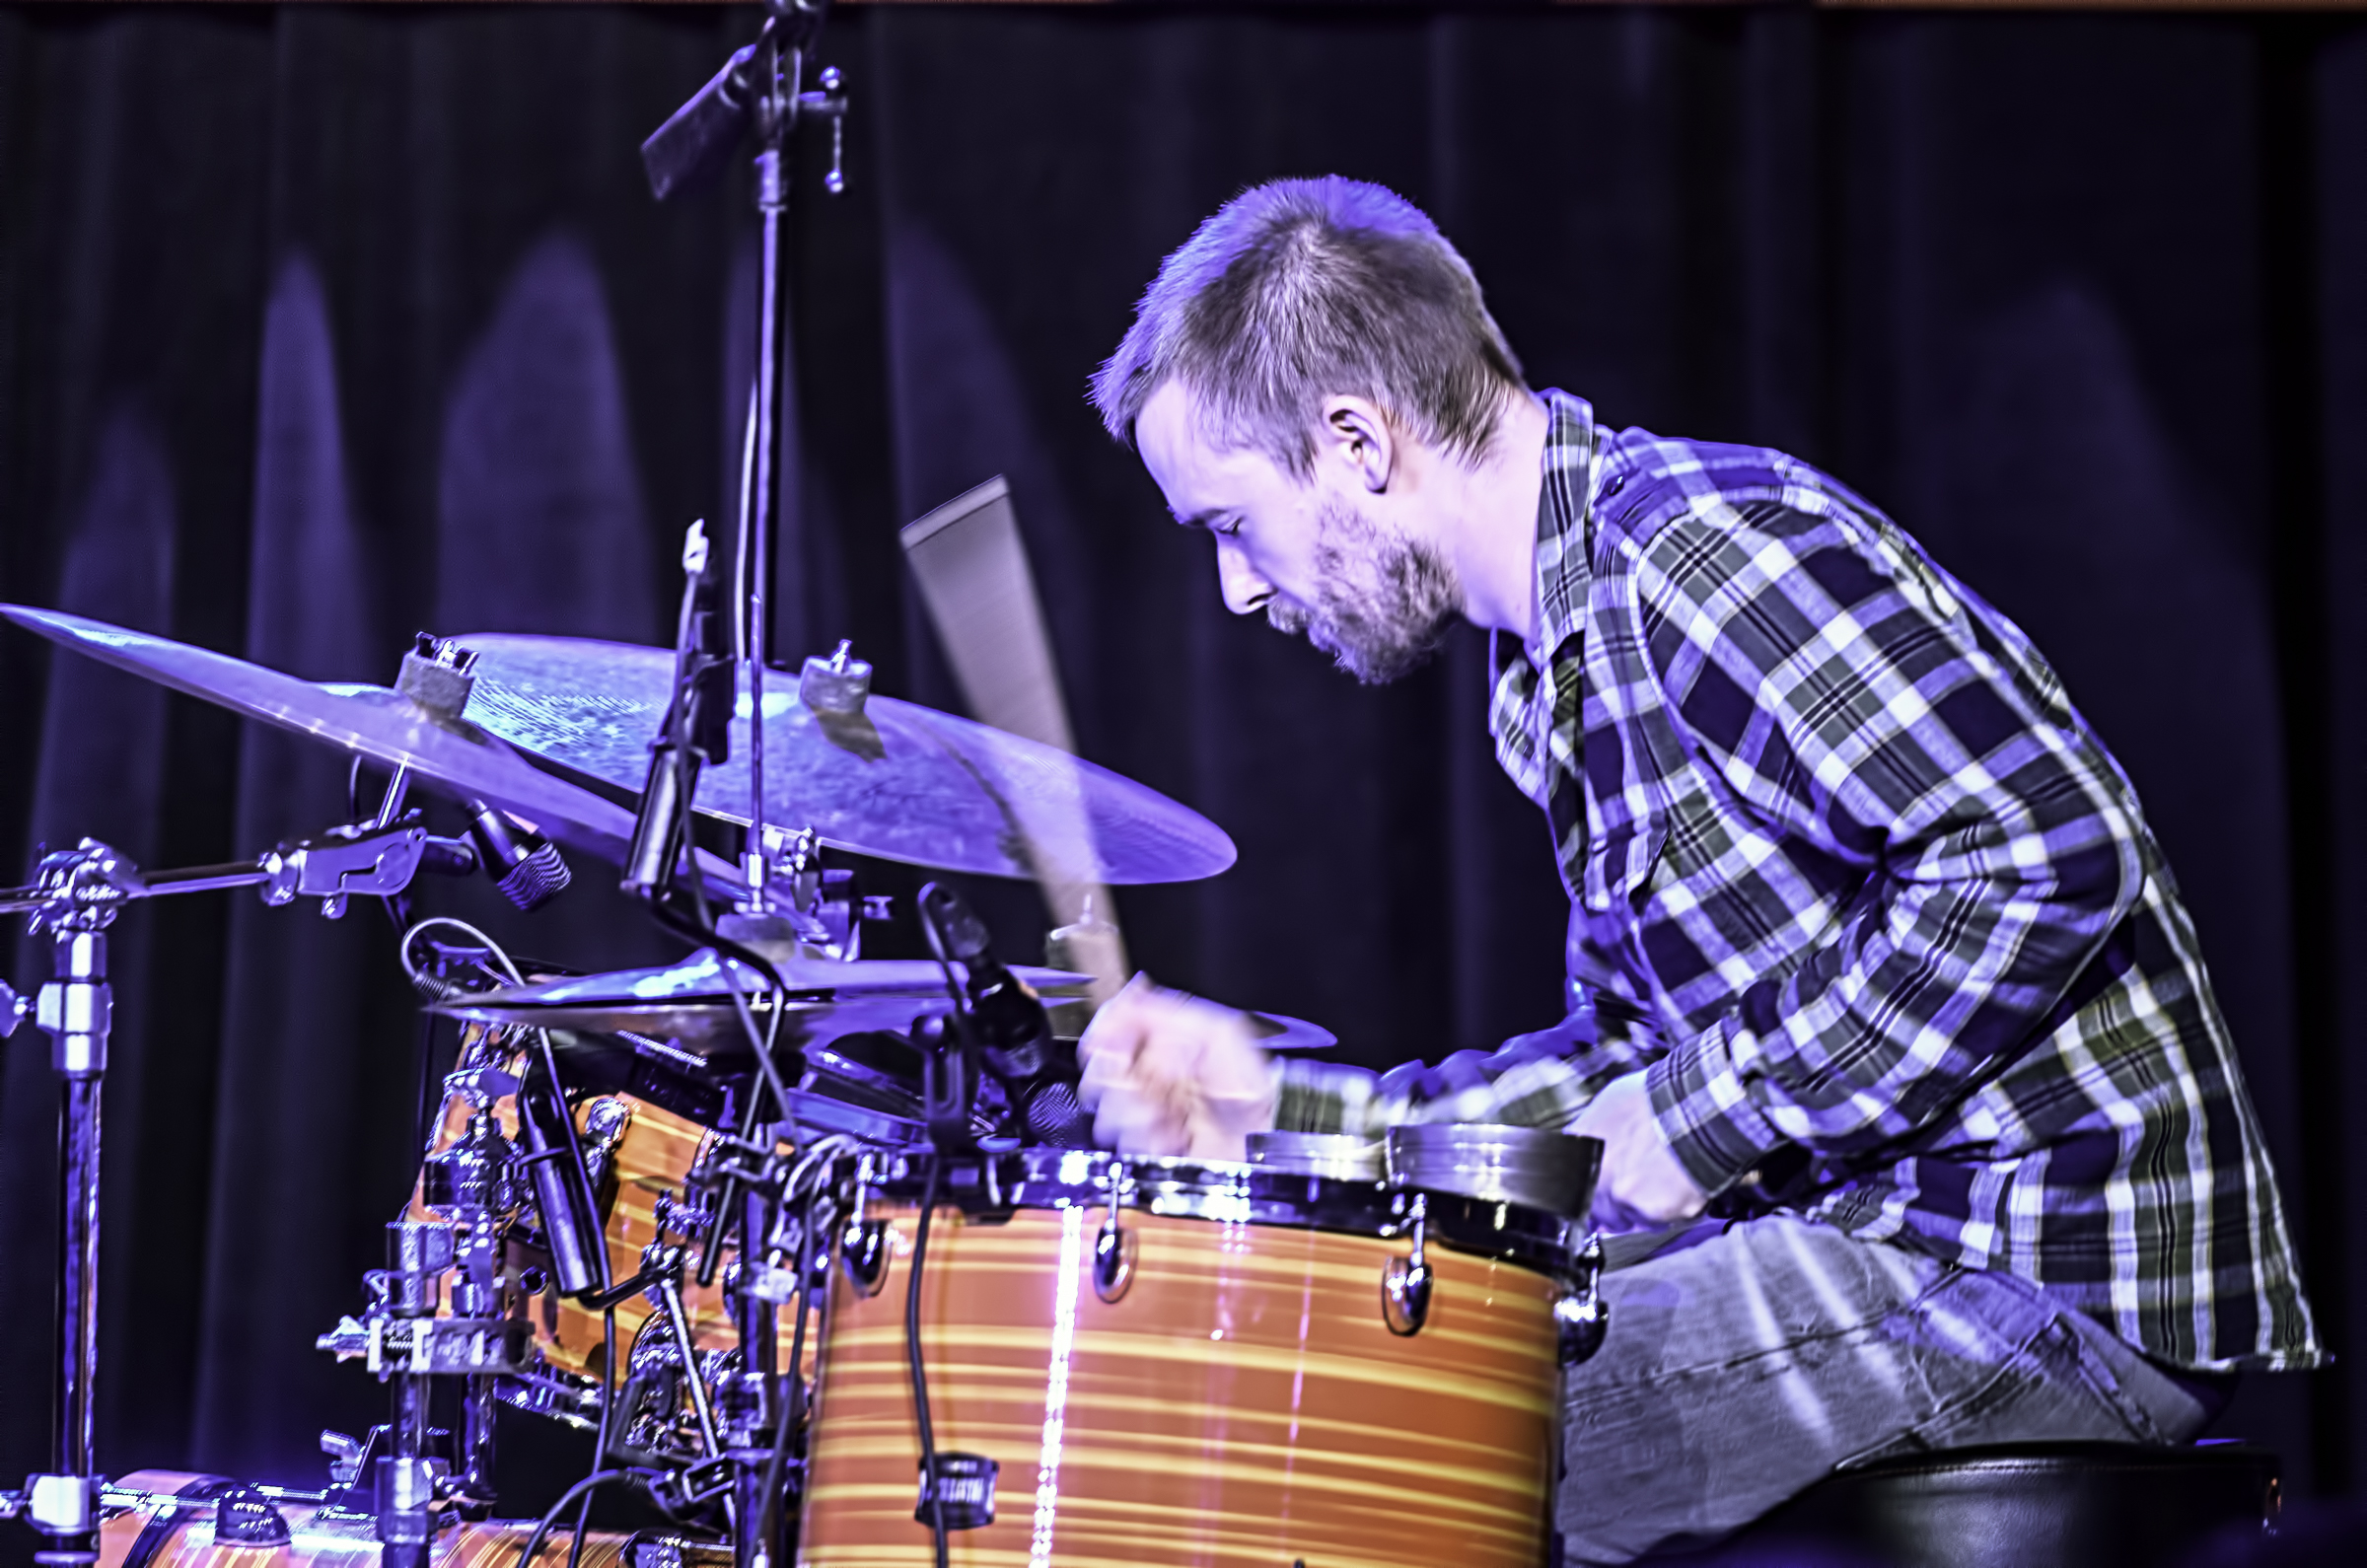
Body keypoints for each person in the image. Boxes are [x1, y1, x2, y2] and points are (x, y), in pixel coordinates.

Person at [1073, 176, 2320, 1563]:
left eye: (1231, 527)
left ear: (1358, 440)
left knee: (1385, 1430)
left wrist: (1704, 1117)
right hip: (1884, 1237)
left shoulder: (1689, 557)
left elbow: (2044, 851)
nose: (1240, 591)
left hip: (2026, 1266)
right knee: (1355, 1383)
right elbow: (1625, 1077)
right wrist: (1289, 1117)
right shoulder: (1557, 658)